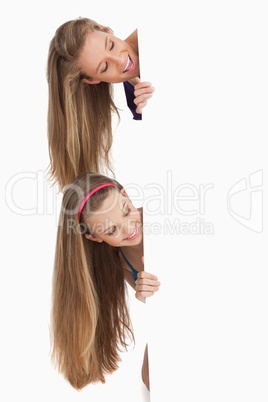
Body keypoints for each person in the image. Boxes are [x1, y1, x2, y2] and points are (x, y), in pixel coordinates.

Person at [51, 172, 160, 391]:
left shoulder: (162, 221)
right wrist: (148, 296)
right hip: (177, 320)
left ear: (126, 195)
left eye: (126, 211)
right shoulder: (119, 259)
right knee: (150, 376)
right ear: (93, 237)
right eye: (112, 230)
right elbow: (164, 307)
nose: (128, 228)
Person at [47, 17, 154, 191]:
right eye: (104, 67)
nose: (121, 61)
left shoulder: (153, 28)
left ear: (106, 30)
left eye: (111, 45)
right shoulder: (137, 99)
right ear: (92, 80)